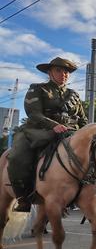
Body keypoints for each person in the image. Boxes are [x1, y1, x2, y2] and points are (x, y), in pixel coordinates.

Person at [8, 57, 86, 212]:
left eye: (66, 71)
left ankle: (90, 192)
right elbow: (34, 113)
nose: (63, 74)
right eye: (59, 70)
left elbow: (83, 120)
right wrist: (54, 125)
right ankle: (23, 197)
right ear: (49, 72)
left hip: (69, 133)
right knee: (18, 156)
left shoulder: (74, 95)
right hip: (39, 132)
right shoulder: (37, 89)